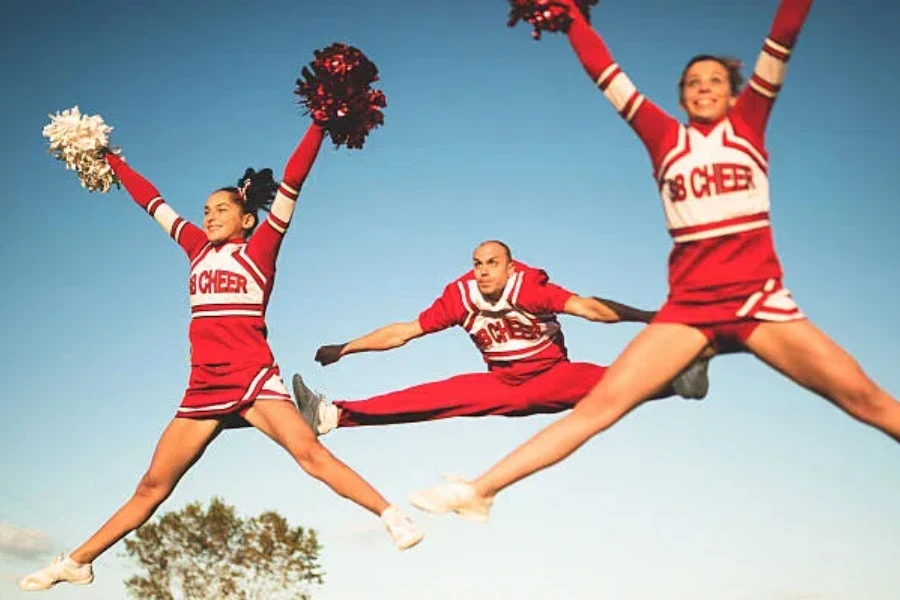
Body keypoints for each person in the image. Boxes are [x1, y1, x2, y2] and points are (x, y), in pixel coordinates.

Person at [408, 0, 900, 521]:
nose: (704, 87)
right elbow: (607, 75)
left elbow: (785, 32)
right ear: (681, 97)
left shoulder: (749, 128)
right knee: (601, 407)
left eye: (714, 80)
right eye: (692, 82)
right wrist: (569, 16)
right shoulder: (665, 140)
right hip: (688, 312)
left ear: (735, 93)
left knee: (864, 400)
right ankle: (481, 491)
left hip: (760, 304)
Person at [20, 123, 422, 592]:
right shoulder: (194, 249)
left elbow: (294, 179)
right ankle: (78, 561)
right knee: (152, 486)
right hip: (204, 388)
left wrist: (318, 122)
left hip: (253, 381)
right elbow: (151, 201)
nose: (209, 217)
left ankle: (390, 514)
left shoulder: (261, 252)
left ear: (246, 218)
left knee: (309, 454)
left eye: (221, 210)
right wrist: (110, 158)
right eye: (206, 210)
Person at [291, 240, 710, 438]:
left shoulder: (530, 287)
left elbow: (589, 308)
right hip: (503, 384)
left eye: (493, 263)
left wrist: (652, 317)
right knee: (430, 397)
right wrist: (345, 348)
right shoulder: (460, 296)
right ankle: (330, 417)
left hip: (551, 376)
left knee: (613, 380)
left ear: (510, 267)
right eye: (477, 264)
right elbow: (403, 332)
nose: (484, 271)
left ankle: (679, 376)